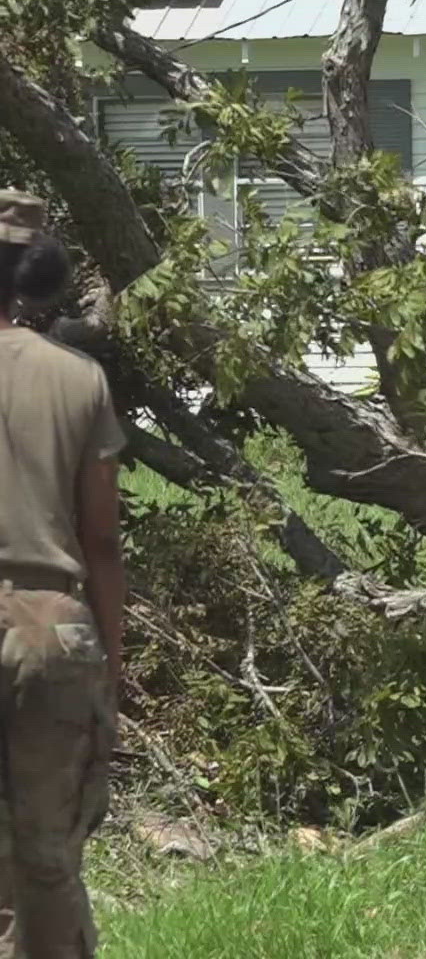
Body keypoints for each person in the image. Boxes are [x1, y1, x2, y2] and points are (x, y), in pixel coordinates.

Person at [0, 190, 125, 958]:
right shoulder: (79, 378)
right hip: (51, 627)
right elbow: (101, 540)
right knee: (47, 857)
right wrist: (111, 658)